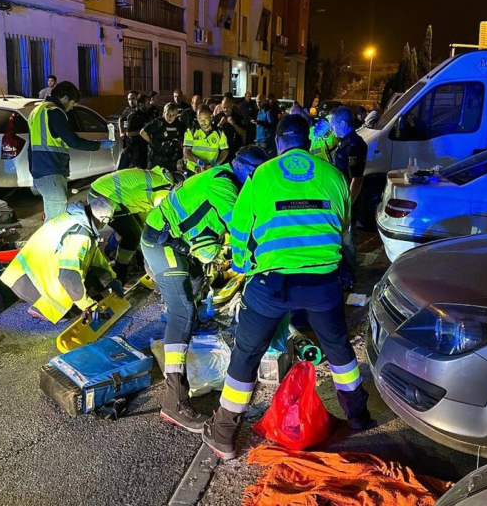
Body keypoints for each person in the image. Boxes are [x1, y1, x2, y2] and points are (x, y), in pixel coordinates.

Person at [202, 115, 372, 460]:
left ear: (278, 142)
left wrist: (243, 265)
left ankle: (223, 434)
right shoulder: (333, 175)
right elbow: (343, 227)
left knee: (247, 353)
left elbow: (239, 229)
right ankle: (357, 416)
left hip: (271, 284)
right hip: (322, 282)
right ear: (308, 141)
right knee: (338, 349)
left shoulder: (261, 175)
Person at [141, 146, 268, 433]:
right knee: (183, 311)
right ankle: (173, 402)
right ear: (247, 172)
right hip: (162, 242)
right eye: (258, 176)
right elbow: (242, 230)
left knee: (197, 285)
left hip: (180, 241)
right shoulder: (224, 185)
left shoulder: (225, 178)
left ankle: (185, 327)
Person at [1, 198, 123, 322]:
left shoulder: (76, 219)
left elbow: (94, 255)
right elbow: (68, 276)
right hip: (28, 280)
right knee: (66, 299)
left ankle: (69, 300)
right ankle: (43, 308)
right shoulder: (80, 235)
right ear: (103, 219)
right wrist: (87, 306)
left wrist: (111, 278)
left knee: (87, 279)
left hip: (26, 270)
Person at [28, 80, 114, 221]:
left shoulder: (37, 111)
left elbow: (31, 147)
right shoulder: (55, 112)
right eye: (73, 102)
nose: (72, 107)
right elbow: (73, 141)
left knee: (51, 213)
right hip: (52, 170)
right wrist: (100, 145)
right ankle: (53, 243)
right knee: (57, 218)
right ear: (65, 98)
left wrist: (34, 173)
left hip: (41, 171)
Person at [88, 166, 178, 284]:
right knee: (133, 235)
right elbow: (153, 224)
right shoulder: (163, 195)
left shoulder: (161, 182)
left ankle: (124, 257)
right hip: (104, 198)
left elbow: (144, 220)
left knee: (136, 230)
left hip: (106, 192)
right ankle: (120, 271)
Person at [329, 107, 368, 290]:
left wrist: (348, 206)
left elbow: (357, 179)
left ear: (343, 124)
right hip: (340, 200)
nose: (331, 128)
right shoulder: (344, 142)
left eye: (333, 124)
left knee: (348, 240)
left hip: (348, 202)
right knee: (341, 239)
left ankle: (350, 277)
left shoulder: (354, 145)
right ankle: (343, 272)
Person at [183, 106, 229, 173]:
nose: (203, 122)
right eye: (200, 119)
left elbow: (225, 150)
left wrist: (216, 164)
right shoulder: (191, 131)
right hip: (193, 170)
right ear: (197, 117)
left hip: (210, 170)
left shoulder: (219, 132)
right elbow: (186, 151)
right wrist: (197, 160)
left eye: (206, 119)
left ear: (211, 117)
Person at [141, 102, 184, 173]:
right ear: (164, 113)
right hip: (157, 159)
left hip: (171, 160)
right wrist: (153, 142)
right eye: (168, 114)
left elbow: (182, 139)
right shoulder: (158, 123)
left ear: (176, 115)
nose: (170, 117)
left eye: (172, 115)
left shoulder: (179, 125)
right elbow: (143, 133)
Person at [119, 92, 153, 170]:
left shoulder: (148, 114)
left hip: (144, 147)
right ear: (141, 104)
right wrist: (143, 132)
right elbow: (128, 133)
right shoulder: (133, 116)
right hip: (134, 148)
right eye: (147, 104)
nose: (149, 105)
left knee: (143, 170)